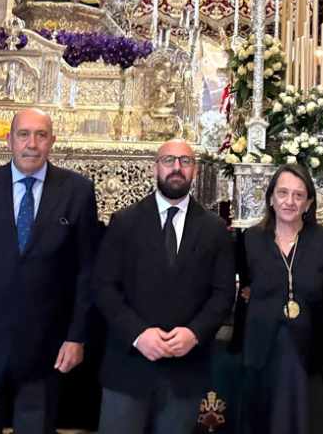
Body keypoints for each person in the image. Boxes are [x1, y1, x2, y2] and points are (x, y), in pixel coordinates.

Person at [0, 108, 98, 433]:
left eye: (41, 135)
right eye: (23, 134)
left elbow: (87, 271)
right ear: (9, 140)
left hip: (45, 348)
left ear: (52, 141)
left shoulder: (77, 191)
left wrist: (76, 336)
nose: (32, 144)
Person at [94, 139, 234, 434]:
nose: (176, 168)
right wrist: (137, 334)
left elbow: (223, 294)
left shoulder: (214, 229)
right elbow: (104, 287)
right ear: (154, 168)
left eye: (185, 161)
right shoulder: (124, 222)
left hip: (184, 371)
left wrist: (194, 333)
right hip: (128, 367)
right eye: (169, 160)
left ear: (194, 170)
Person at [239, 163, 323, 434]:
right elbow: (242, 290)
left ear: (308, 203)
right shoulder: (250, 239)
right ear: (271, 198)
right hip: (263, 352)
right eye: (282, 193)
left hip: (310, 355)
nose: (289, 201)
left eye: (298, 195)